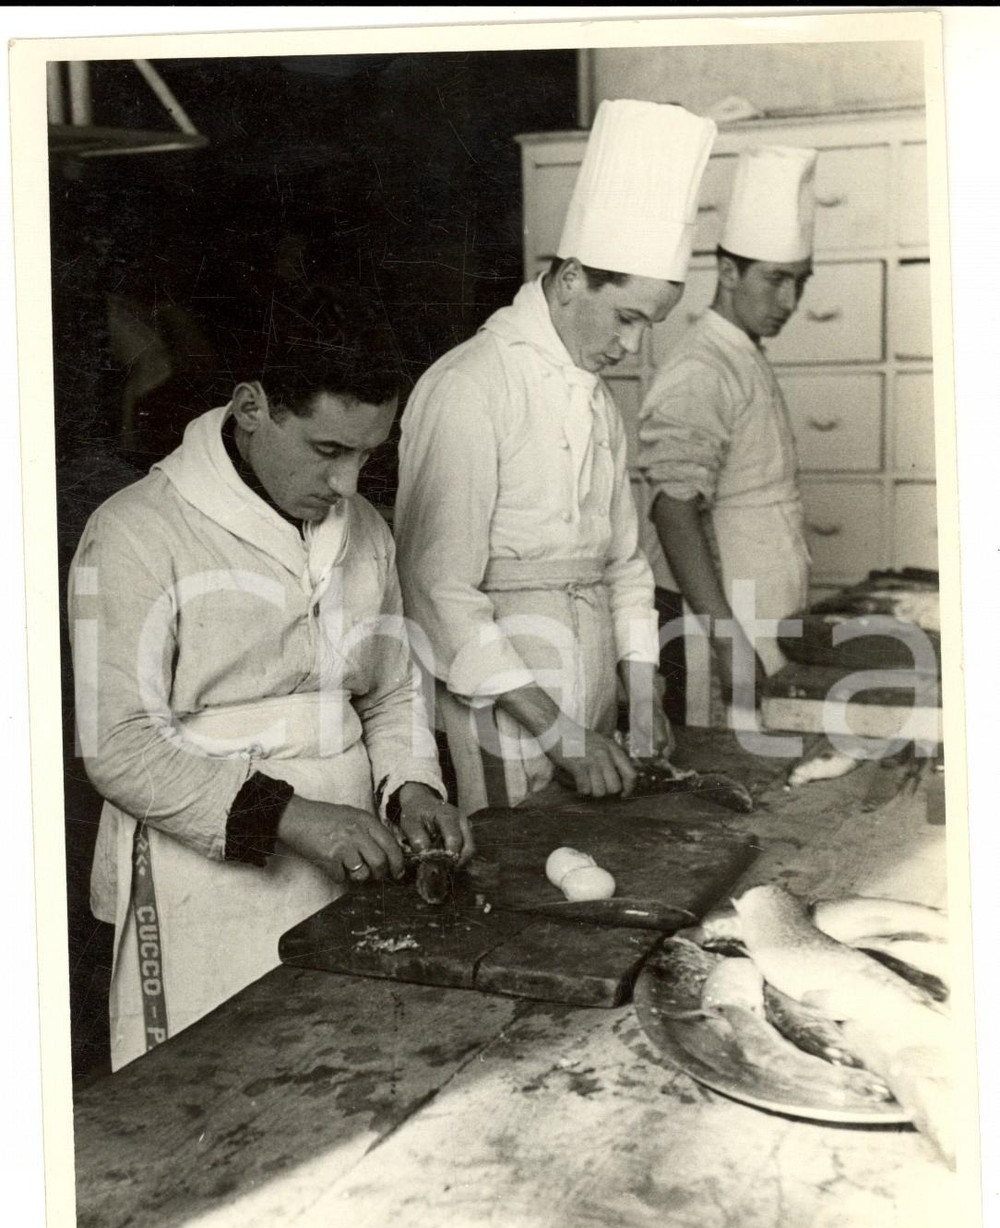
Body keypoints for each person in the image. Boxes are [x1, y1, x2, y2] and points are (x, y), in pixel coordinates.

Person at [69, 286, 472, 1070]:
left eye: (367, 455)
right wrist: (290, 817)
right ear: (251, 406)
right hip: (204, 882)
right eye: (328, 451)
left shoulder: (365, 533)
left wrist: (411, 786)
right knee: (212, 1087)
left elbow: (388, 690)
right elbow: (116, 745)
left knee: (339, 1070)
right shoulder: (136, 530)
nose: (349, 485)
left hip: (352, 853)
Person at [393, 99, 717, 815]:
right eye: (628, 317)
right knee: (525, 874)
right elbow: (437, 590)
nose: (633, 347)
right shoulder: (470, 385)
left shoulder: (596, 399)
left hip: (592, 684)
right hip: (508, 701)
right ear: (572, 277)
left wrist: (642, 691)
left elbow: (626, 565)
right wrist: (560, 732)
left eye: (650, 325)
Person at [633, 145, 818, 726]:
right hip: (725, 633)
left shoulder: (743, 357)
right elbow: (673, 511)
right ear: (730, 271)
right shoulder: (702, 369)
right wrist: (727, 640)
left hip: (766, 621)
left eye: (801, 283)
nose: (789, 302)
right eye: (776, 280)